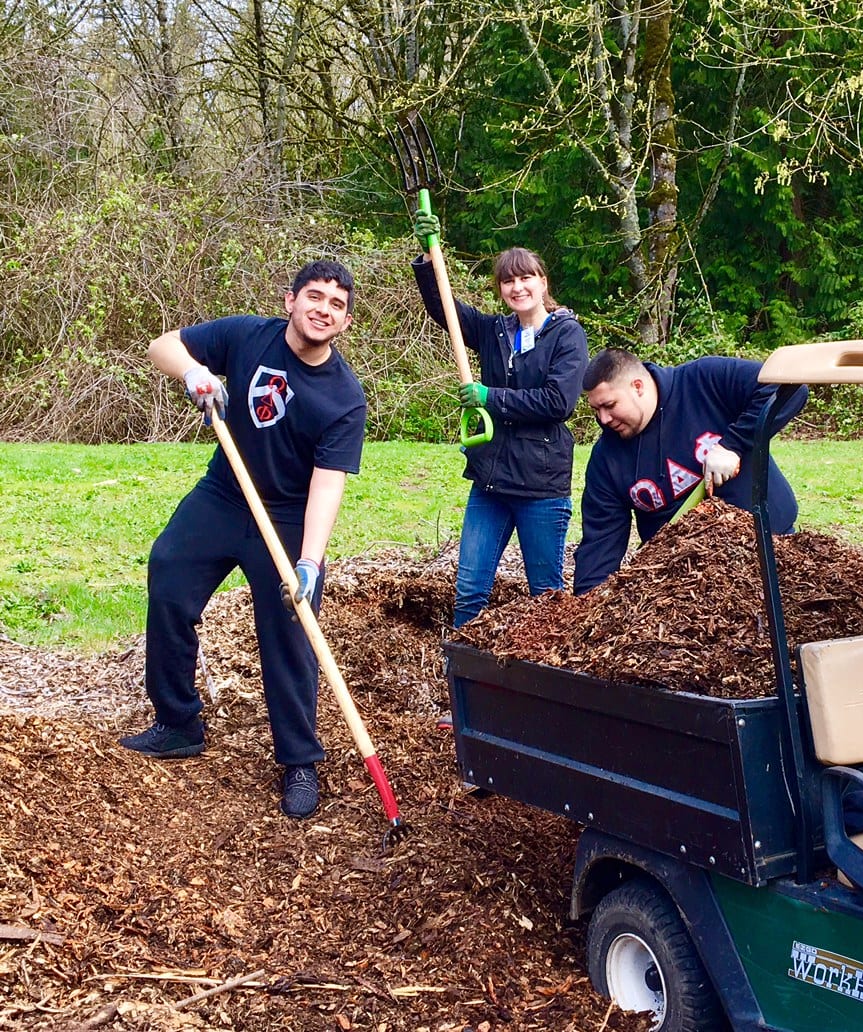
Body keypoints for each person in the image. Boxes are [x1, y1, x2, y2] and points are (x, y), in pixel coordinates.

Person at [119, 260, 367, 820]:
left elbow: (328, 486)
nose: (323, 309)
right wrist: (193, 375)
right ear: (290, 300)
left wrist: (309, 562)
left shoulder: (345, 399)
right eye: (315, 296)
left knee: (290, 631)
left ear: (345, 322)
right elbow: (164, 345)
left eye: (337, 304)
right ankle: (178, 723)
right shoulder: (245, 335)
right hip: (224, 494)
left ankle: (300, 762)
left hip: (285, 516)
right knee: (169, 576)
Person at [411, 214, 589, 635]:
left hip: (540, 488)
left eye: (526, 278)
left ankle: (547, 678)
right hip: (491, 484)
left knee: (545, 595)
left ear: (543, 283)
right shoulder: (495, 331)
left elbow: (558, 401)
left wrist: (492, 397)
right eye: (508, 282)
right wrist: (427, 253)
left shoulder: (567, 334)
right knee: (470, 590)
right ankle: (460, 672)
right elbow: (445, 309)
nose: (518, 287)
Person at [573, 348, 808, 594]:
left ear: (638, 386)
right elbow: (600, 542)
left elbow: (788, 389)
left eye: (609, 405)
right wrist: (587, 604)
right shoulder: (607, 459)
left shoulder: (704, 381)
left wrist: (733, 445)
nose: (604, 419)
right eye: (596, 410)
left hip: (771, 551)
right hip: (684, 588)